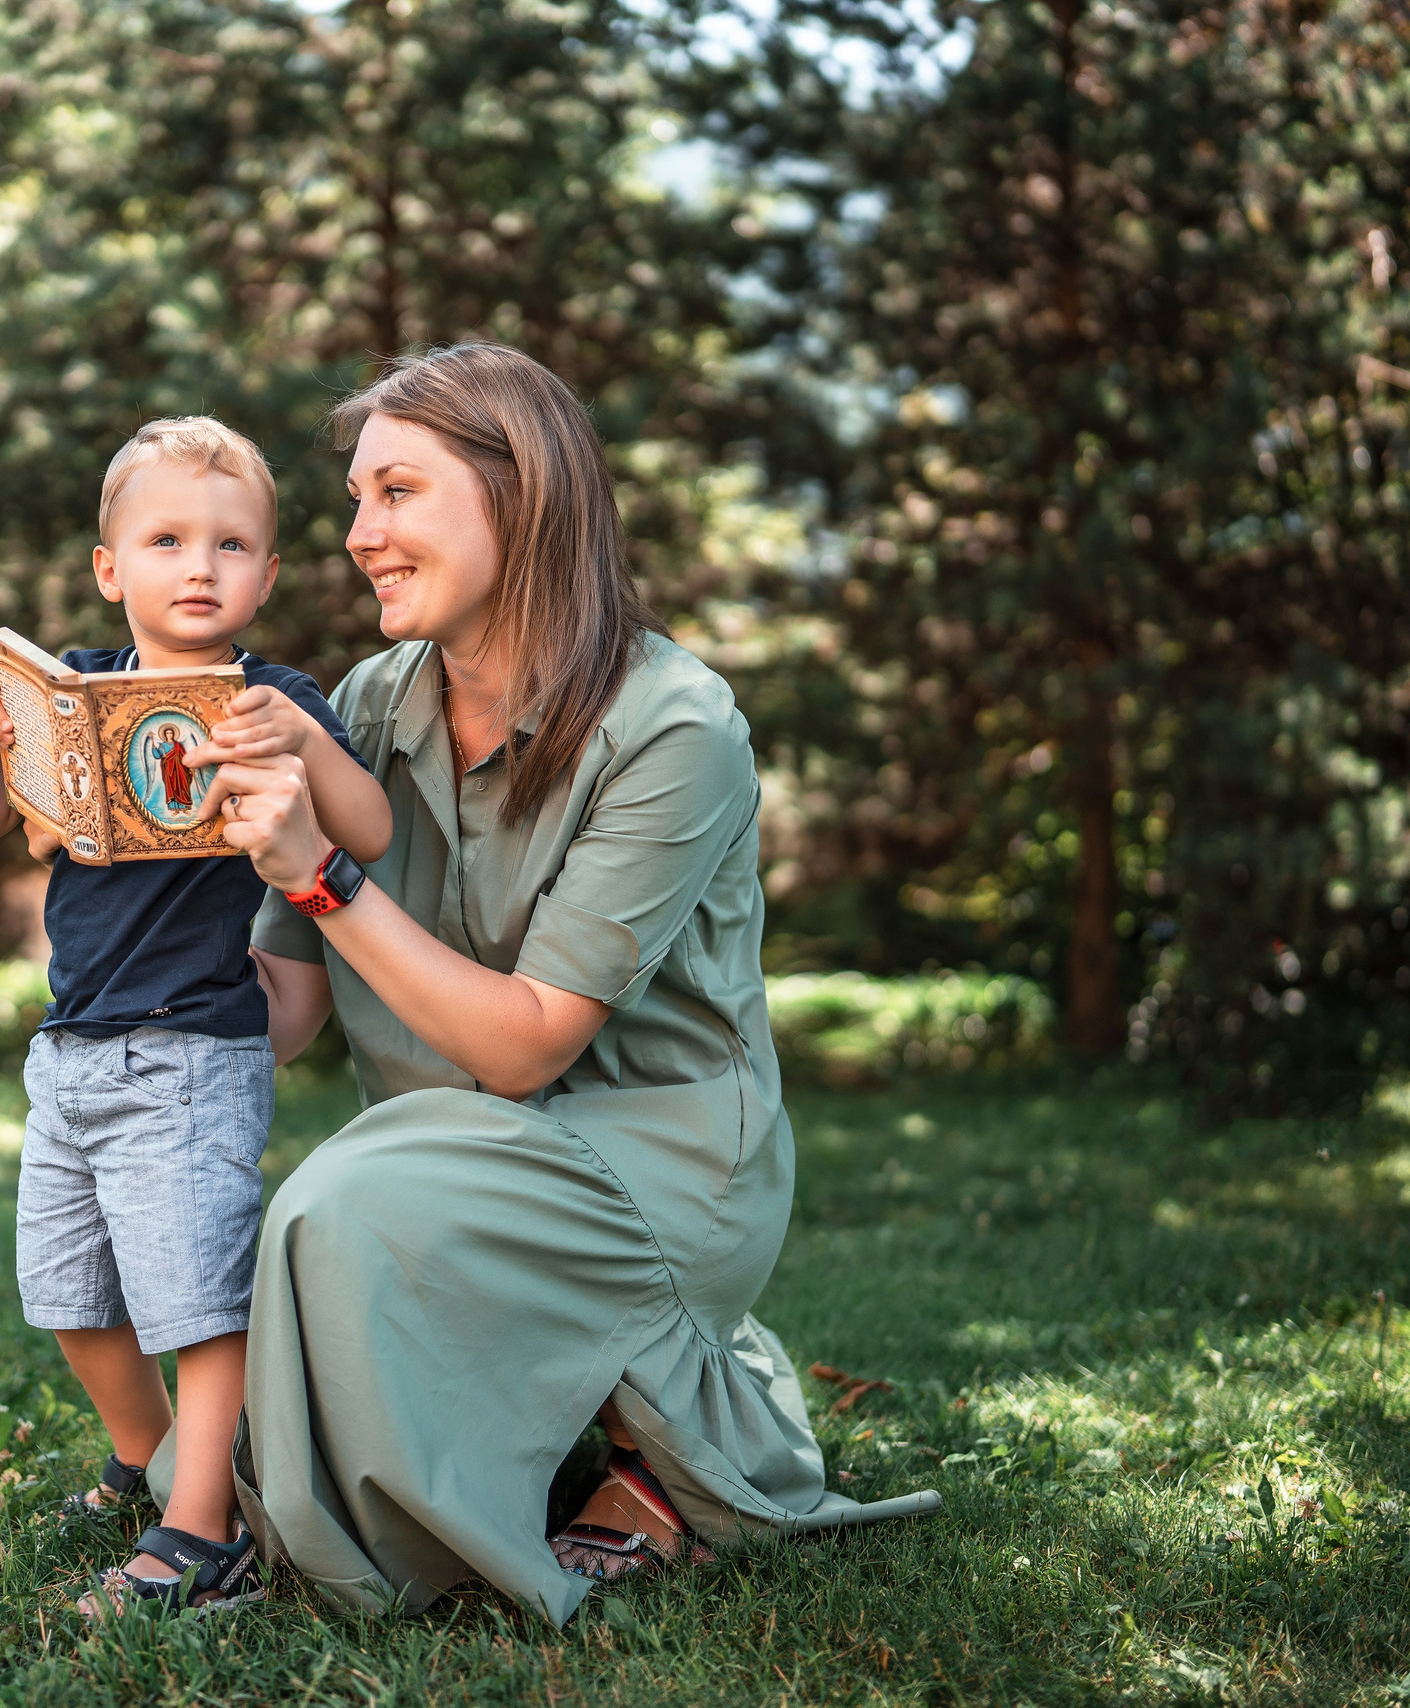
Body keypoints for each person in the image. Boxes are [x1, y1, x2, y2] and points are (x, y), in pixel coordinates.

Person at [185, 345, 939, 1626]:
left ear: (519, 495)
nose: (360, 534)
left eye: (398, 493)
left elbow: (529, 1046)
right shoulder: (363, 706)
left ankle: (636, 1458)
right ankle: (608, 1434)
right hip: (441, 1163)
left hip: (650, 1168)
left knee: (337, 1207)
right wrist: (122, 987)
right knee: (267, 1308)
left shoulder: (673, 727)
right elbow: (293, 1008)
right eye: (357, 500)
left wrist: (322, 876)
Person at [0, 415, 393, 1615]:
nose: (200, 566)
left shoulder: (270, 698)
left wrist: (298, 740)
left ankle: (205, 1530)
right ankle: (148, 1460)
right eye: (166, 539)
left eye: (232, 544)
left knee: (196, 1300)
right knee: (70, 1297)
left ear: (267, 575)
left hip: (193, 1046)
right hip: (72, 1043)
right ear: (111, 570)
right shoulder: (75, 692)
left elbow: (371, 828)